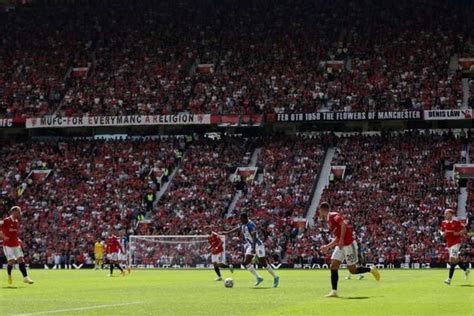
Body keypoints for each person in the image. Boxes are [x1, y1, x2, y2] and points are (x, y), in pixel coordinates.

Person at [317, 202, 379, 298]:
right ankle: (334, 291)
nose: (319, 213)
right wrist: (327, 246)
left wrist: (341, 239)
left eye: (319, 210)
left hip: (349, 244)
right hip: (340, 245)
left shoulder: (333, 215)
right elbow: (337, 237)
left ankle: (371, 269)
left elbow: (343, 224)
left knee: (353, 270)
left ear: (322, 210)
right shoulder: (329, 220)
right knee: (333, 266)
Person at [223, 212, 279, 288]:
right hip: (251, 245)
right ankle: (259, 277)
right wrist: (227, 232)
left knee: (263, 263)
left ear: (245, 218)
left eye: (241, 219)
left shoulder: (251, 225)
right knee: (246, 262)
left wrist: (253, 248)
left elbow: (254, 237)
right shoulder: (243, 224)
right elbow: (238, 228)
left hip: (258, 245)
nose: (240, 220)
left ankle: (276, 277)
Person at [2, 206, 34, 285]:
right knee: (11, 261)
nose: (20, 213)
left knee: (21, 259)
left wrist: (18, 239)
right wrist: (3, 237)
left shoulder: (16, 221)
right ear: (14, 211)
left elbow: (14, 233)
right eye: (19, 211)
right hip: (7, 245)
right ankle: (9, 275)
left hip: (16, 243)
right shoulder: (6, 220)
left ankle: (25, 277)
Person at [439, 208, 470, 285]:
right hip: (449, 243)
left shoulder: (456, 222)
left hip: (456, 243)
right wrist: (443, 234)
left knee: (452, 259)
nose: (445, 215)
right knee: (455, 260)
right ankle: (466, 270)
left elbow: (464, 230)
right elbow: (442, 232)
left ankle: (449, 279)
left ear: (451, 214)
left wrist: (458, 233)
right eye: (445, 213)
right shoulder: (443, 223)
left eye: (446, 213)